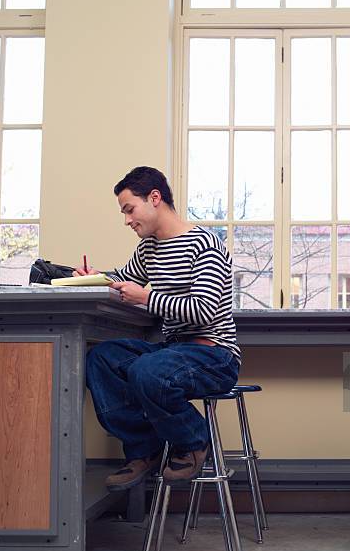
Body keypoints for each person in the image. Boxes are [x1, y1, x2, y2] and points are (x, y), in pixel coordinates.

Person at [77, 166, 240, 491]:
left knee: (147, 370)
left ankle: (194, 440)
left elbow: (203, 311)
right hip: (175, 352)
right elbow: (125, 282)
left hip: (214, 355)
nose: (127, 220)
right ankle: (143, 450)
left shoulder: (205, 244)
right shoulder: (149, 248)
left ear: (154, 198)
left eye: (129, 209)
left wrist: (147, 296)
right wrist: (96, 278)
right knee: (102, 358)